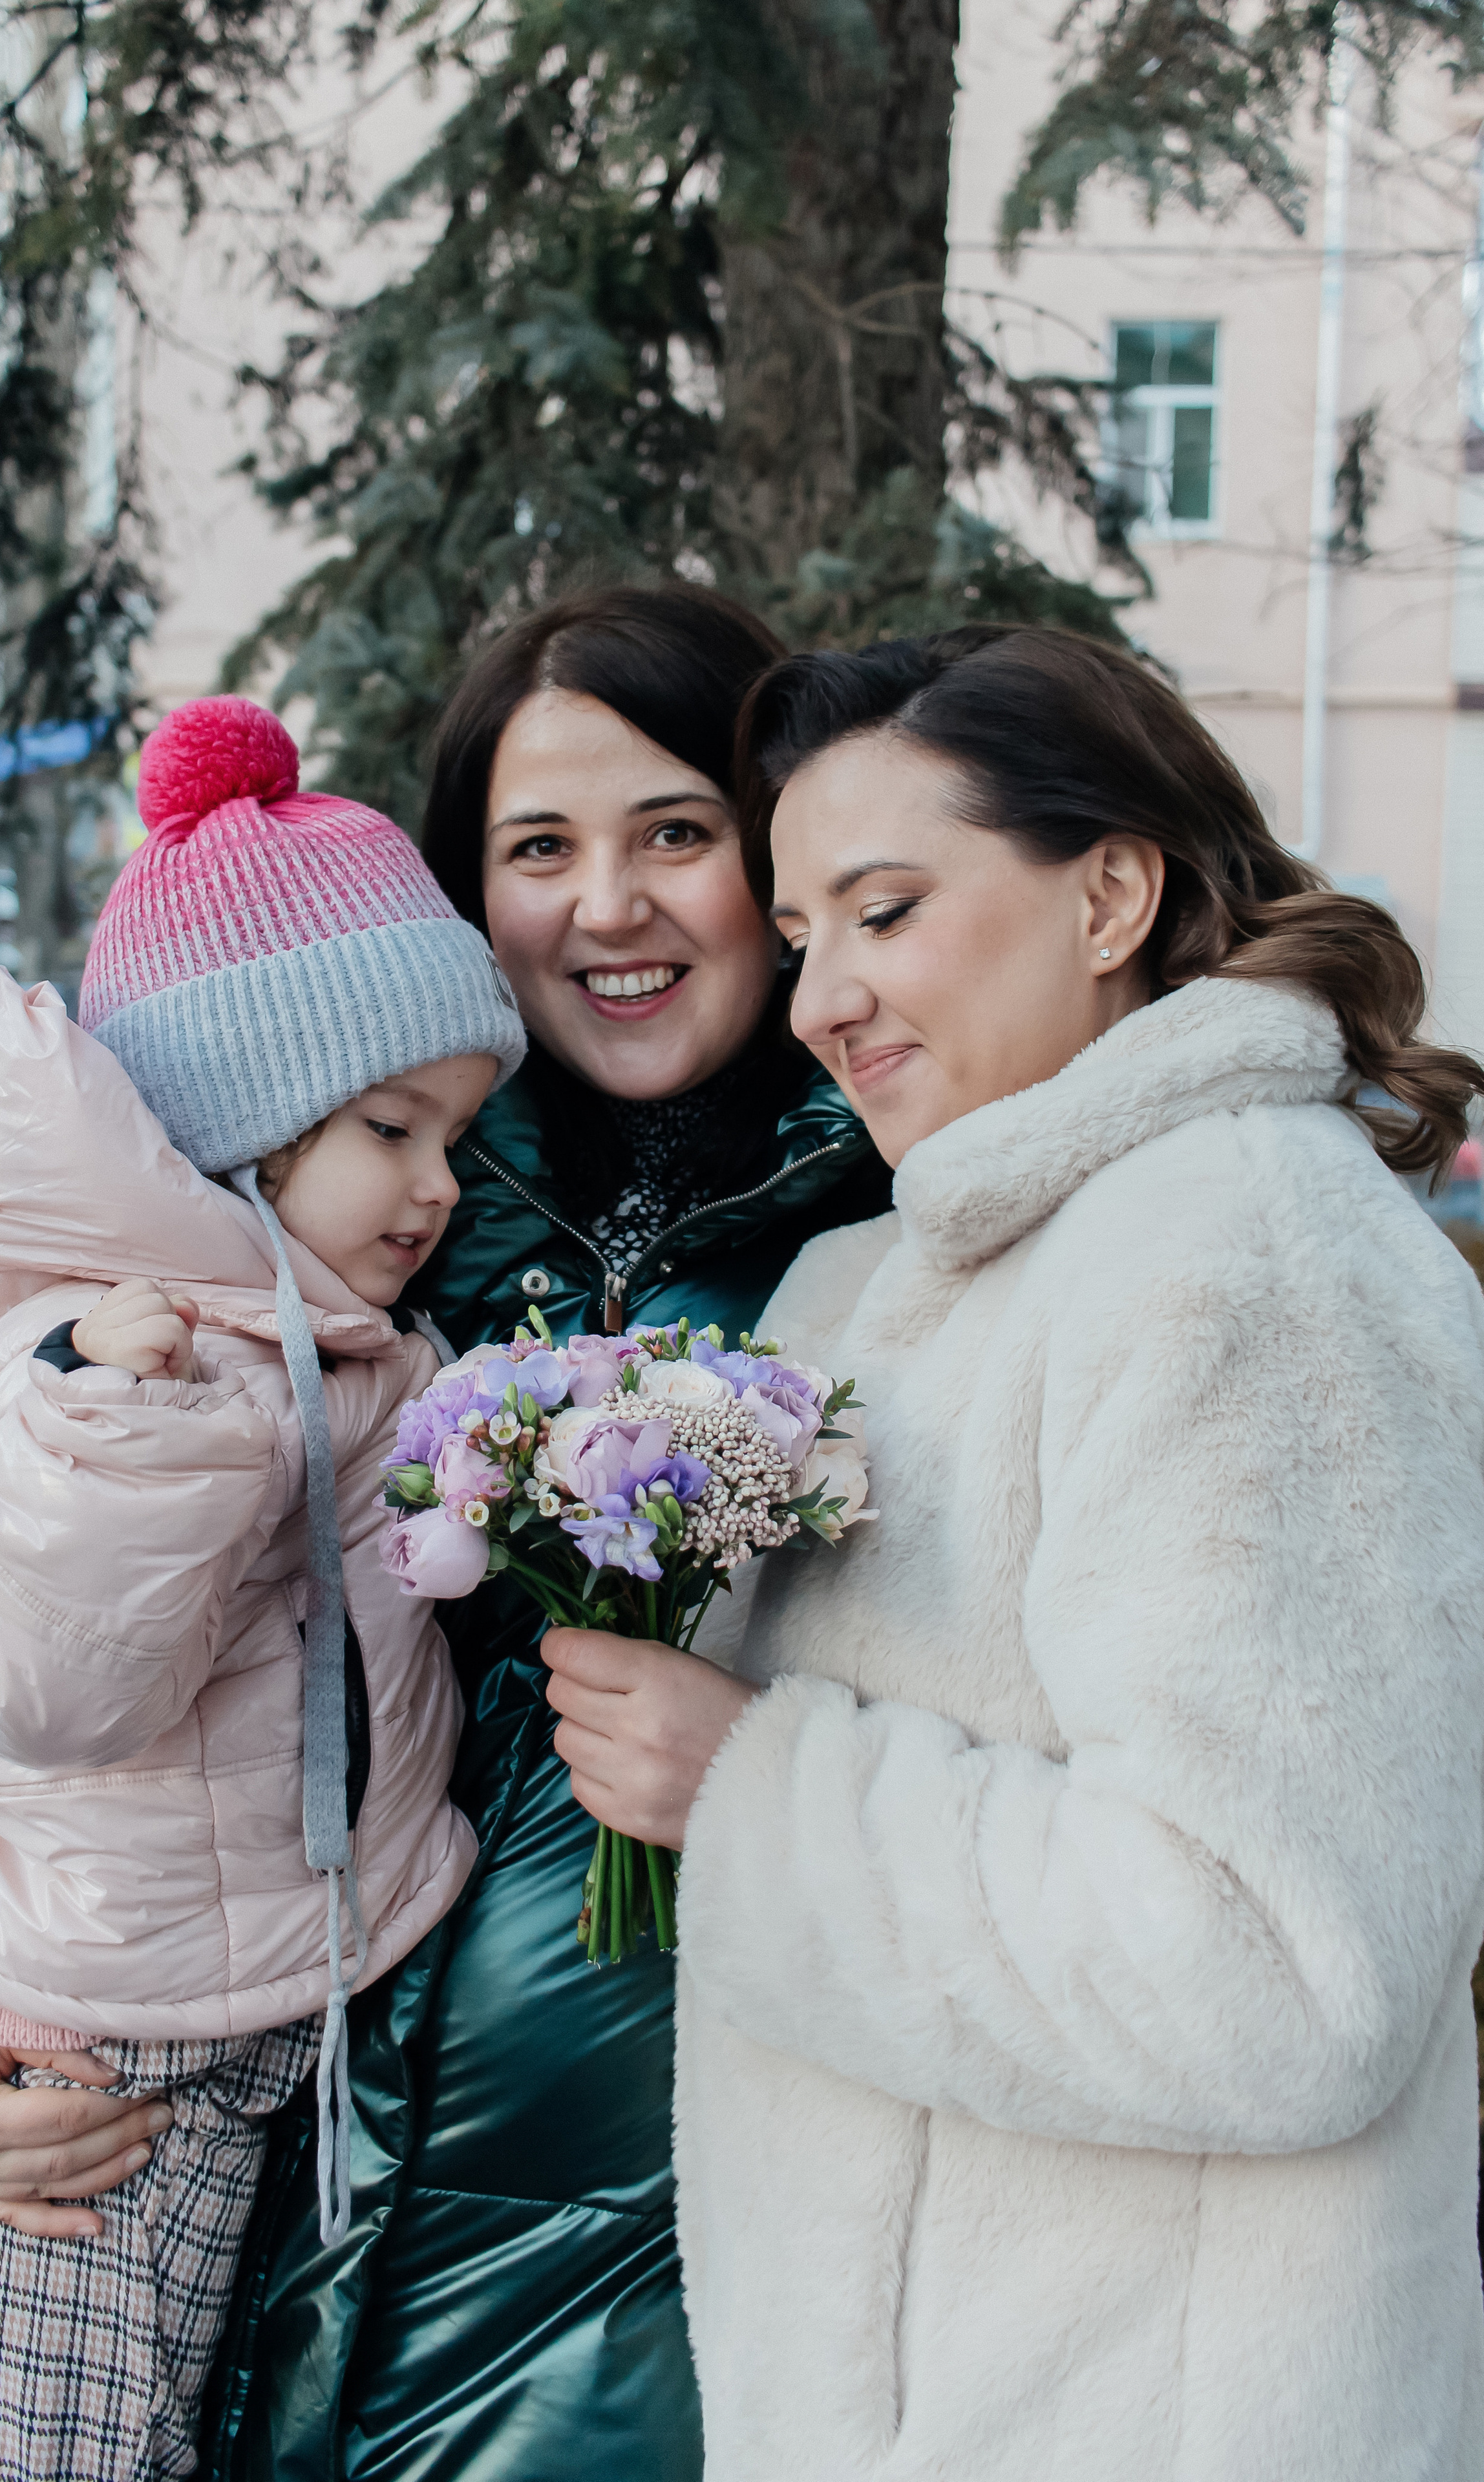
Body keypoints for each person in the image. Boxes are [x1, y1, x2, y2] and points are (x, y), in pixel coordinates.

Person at [0, 590, 893, 2480]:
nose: (611, 906)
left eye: (676, 833)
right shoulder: (327, 1258)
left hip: (703, 2284)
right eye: (539, 849)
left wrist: (780, 1780)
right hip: (286, 2238)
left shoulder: (888, 1244)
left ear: (779, 858)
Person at [544, 624, 1484, 2479]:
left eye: (884, 911)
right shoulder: (900, 1277)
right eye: (803, 932)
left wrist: (754, 1788)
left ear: (1113, 891)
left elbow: (1282, 1968)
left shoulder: (1245, 1257)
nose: (819, 998)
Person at [0, 694, 525, 2480]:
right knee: (89, 2444)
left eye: (458, 1134)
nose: (441, 1186)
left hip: (137, 1967)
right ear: (245, 1121)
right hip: (120, 2027)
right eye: (393, 1127)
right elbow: (50, 1686)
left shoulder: (318, 1327)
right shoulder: (124, 1353)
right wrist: (124, 1433)